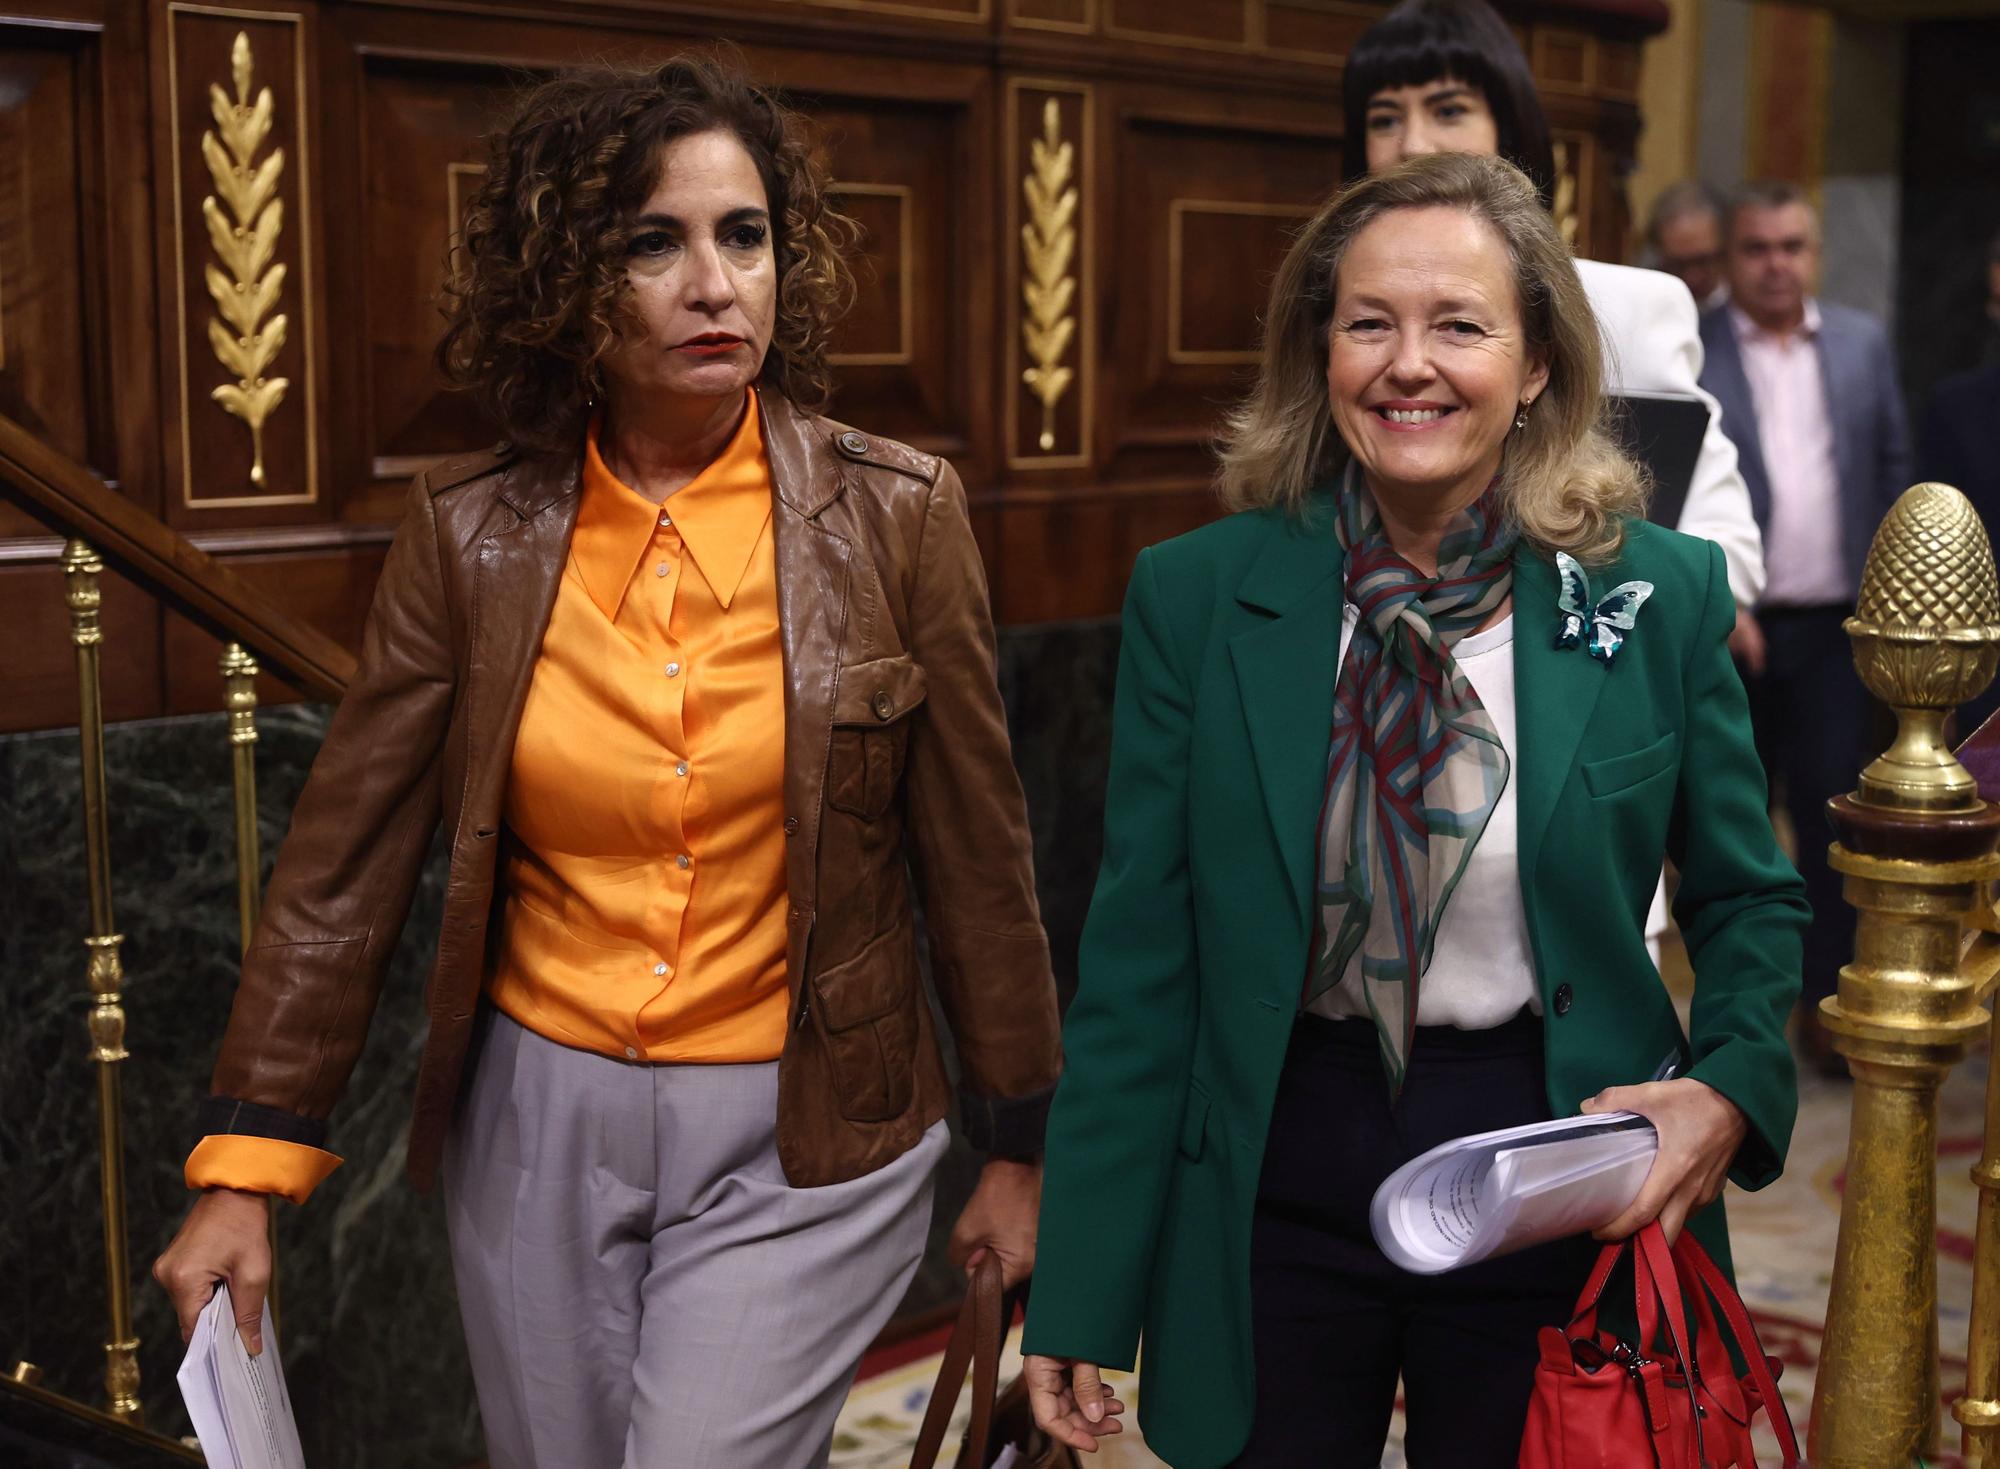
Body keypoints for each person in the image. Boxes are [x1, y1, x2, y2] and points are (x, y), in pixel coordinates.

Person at [152, 56, 1060, 1469]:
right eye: (656, 242)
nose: (716, 283)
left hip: (811, 1122)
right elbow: (341, 873)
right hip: (536, 1126)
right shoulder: (469, 538)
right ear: (570, 279)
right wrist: (243, 1171)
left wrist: (1029, 1146)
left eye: (744, 235)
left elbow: (981, 867)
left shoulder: (897, 518)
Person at [1020, 153, 1807, 1468]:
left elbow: (1749, 897)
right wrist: (1086, 1282)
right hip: (1281, 1159)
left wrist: (1726, 1088)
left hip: (1552, 1162)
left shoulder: (1656, 596)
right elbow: (1141, 962)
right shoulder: (1202, 598)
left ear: (1538, 363)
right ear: (1321, 349)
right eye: (1370, 322)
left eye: (1458, 325)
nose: (1408, 365)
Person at [1333, 0, 1763, 618]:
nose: (1414, 144)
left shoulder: (1626, 308)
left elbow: (1726, 558)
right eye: (1383, 118)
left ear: (1509, 131)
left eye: (1449, 110)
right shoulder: (1328, 309)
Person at [1698, 180, 1911, 1074]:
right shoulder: (1696, 348)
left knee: (1832, 827)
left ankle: (1822, 1016)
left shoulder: (1861, 343)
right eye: (1757, 248)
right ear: (1730, 256)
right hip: (1732, 630)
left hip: (1838, 629)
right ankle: (1728, 1031)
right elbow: (1664, 489)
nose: (1776, 264)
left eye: (1792, 245)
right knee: (1729, 832)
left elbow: (1892, 462)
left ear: (1812, 252)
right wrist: (1721, 599)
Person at [1646, 180, 1730, 312]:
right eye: (1678, 264)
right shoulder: (1645, 300)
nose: (1692, 277)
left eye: (1703, 261)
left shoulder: (1751, 303)